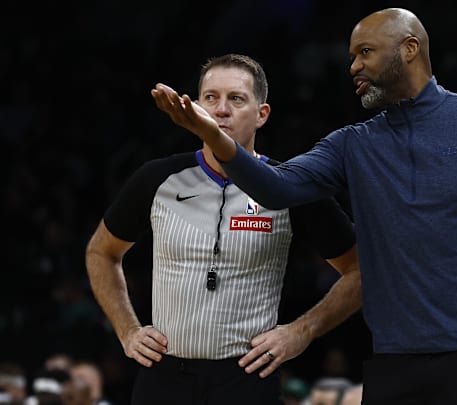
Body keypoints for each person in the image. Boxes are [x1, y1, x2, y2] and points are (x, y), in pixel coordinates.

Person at [151, 7, 457, 405]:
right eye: (351, 57)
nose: (353, 67)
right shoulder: (353, 143)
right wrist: (213, 134)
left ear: (409, 49)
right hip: (391, 363)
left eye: (365, 52)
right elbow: (276, 188)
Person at [86, 53, 362, 405]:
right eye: (210, 98)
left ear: (261, 114)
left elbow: (360, 270)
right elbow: (101, 251)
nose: (220, 110)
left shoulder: (289, 186)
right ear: (196, 107)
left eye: (236, 99)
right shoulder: (157, 179)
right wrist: (127, 331)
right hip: (163, 376)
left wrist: (301, 331)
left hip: (245, 378)